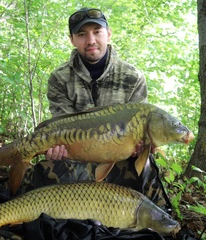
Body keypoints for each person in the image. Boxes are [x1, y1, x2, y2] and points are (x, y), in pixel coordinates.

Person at [30, 7, 171, 210]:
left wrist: (142, 146)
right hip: (77, 156)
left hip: (119, 158)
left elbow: (142, 129)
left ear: (108, 33)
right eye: (81, 34)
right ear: (72, 39)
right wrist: (56, 149)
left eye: (97, 31)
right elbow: (60, 127)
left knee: (147, 168)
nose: (91, 40)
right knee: (48, 170)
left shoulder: (132, 77)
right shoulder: (60, 78)